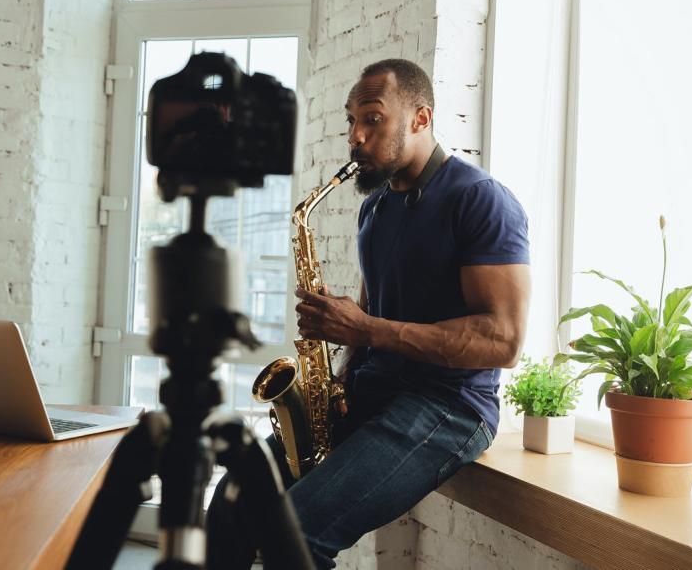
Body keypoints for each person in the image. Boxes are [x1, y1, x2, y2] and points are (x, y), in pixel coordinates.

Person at [206, 58, 531, 569]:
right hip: (374, 390)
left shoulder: (480, 201)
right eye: (351, 122)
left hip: (449, 404)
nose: (355, 136)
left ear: (421, 119)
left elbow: (503, 341)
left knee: (296, 531)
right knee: (231, 498)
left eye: (373, 119)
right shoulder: (374, 207)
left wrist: (366, 329)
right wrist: (329, 383)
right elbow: (371, 311)